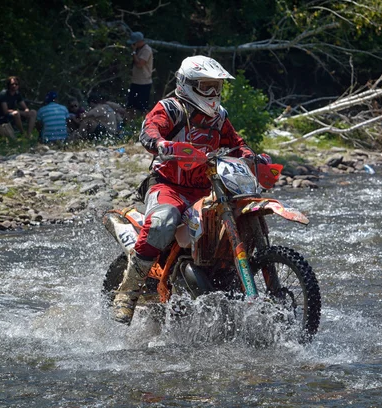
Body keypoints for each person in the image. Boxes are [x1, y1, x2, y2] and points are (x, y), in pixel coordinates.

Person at [112, 55, 269, 324]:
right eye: (206, 86)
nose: (213, 93)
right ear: (187, 84)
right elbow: (148, 131)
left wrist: (250, 155)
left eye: (217, 87)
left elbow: (236, 144)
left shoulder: (219, 117)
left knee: (241, 213)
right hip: (168, 185)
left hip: (208, 187)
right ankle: (127, 293)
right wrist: (161, 144)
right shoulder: (170, 108)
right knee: (162, 222)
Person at [125, 31, 153, 119]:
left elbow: (140, 64)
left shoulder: (146, 50)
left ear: (139, 41)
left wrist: (133, 53)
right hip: (135, 82)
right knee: (130, 105)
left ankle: (145, 123)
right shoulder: (139, 49)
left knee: (143, 107)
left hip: (144, 83)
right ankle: (129, 123)